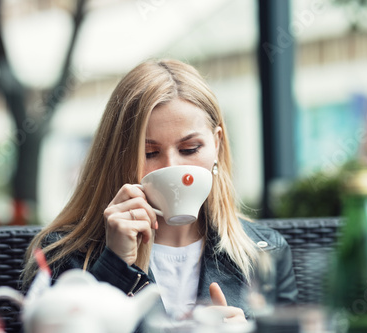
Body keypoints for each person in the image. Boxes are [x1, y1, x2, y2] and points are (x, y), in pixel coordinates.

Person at [22, 59, 297, 324]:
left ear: (217, 145)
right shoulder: (63, 257)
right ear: (117, 157)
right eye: (149, 152)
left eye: (190, 149)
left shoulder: (265, 254)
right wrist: (114, 265)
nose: (171, 166)